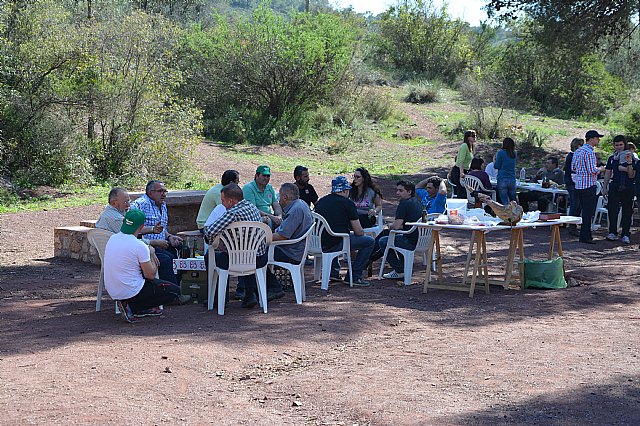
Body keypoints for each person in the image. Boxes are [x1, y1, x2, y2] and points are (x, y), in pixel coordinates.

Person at [104, 209, 190, 323]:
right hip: (131, 290)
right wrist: (151, 252)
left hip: (112, 290)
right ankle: (132, 307)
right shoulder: (139, 245)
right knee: (174, 292)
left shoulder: (112, 238)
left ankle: (139, 307)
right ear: (142, 226)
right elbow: (150, 275)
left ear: (124, 222)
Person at [204, 183, 278, 308]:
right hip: (259, 258)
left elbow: (211, 231)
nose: (222, 204)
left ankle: (217, 298)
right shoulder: (252, 207)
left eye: (223, 201)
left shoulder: (232, 213)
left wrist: (212, 240)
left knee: (210, 256)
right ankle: (250, 293)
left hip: (237, 260)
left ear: (231, 200)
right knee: (245, 251)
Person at [315, 176, 375, 286]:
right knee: (369, 241)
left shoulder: (321, 201)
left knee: (333, 234)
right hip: (336, 242)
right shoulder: (348, 204)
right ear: (344, 190)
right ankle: (355, 276)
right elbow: (359, 232)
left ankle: (334, 272)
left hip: (317, 242)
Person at [130, 180, 183, 284]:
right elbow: (132, 226)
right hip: (147, 246)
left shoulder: (163, 205)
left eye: (165, 191)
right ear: (150, 193)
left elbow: (162, 228)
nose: (163, 194)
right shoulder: (140, 204)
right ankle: (171, 293)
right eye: (160, 191)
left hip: (163, 243)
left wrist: (169, 236)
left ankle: (178, 286)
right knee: (168, 259)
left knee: (183, 250)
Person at [266, 183, 314, 291]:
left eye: (280, 197)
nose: (278, 200)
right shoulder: (300, 204)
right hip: (294, 249)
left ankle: (272, 287)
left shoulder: (295, 210)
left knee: (256, 253)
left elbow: (282, 236)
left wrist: (261, 237)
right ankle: (269, 286)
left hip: (290, 252)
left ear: (285, 197)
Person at [374, 181, 423, 280]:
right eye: (397, 190)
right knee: (395, 237)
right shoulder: (417, 202)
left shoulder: (404, 203)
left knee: (383, 241)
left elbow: (396, 226)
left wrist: (389, 226)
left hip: (409, 240)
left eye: (400, 190)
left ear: (409, 192)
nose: (397, 193)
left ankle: (399, 270)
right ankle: (403, 266)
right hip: (421, 240)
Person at [572, 130, 606, 244]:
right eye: (597, 138)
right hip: (588, 184)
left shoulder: (578, 151)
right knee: (588, 211)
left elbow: (574, 167)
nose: (598, 140)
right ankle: (585, 235)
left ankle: (584, 234)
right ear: (591, 139)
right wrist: (601, 169)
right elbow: (592, 170)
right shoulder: (590, 152)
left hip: (579, 184)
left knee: (582, 209)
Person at [602, 135, 637, 244]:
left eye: (621, 144)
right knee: (612, 210)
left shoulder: (631, 156)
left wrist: (628, 164)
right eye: (616, 145)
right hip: (615, 185)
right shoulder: (612, 158)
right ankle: (612, 232)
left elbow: (632, 175)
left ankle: (625, 233)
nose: (619, 147)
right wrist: (604, 187)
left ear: (624, 144)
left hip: (628, 186)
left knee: (627, 211)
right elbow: (608, 172)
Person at [564, 138, 584, 236]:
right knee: (575, 205)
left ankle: (573, 225)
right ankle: (572, 226)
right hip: (573, 183)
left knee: (576, 204)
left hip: (572, 182)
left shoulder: (571, 156)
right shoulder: (573, 156)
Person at [450, 130, 476, 199]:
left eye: (475, 136)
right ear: (468, 137)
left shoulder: (471, 147)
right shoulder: (464, 146)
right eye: (473, 136)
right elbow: (461, 160)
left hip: (466, 170)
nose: (474, 137)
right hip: (458, 170)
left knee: (467, 190)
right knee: (461, 190)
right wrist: (461, 173)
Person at [494, 137, 518, 203]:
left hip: (502, 178)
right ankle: (515, 212)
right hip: (512, 178)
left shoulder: (501, 153)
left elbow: (497, 166)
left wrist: (494, 161)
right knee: (513, 200)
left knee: (504, 201)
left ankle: (506, 213)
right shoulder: (514, 153)